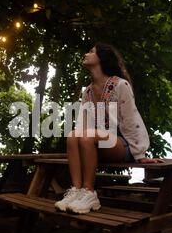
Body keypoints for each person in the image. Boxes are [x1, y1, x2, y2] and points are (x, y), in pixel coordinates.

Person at [55, 43, 164, 214]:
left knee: (86, 136)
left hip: (123, 145)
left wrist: (140, 154)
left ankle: (90, 193)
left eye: (91, 52)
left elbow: (131, 119)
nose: (86, 54)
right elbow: (82, 124)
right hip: (97, 144)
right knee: (73, 136)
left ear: (101, 58)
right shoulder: (88, 91)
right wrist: (76, 145)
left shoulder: (121, 85)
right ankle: (76, 191)